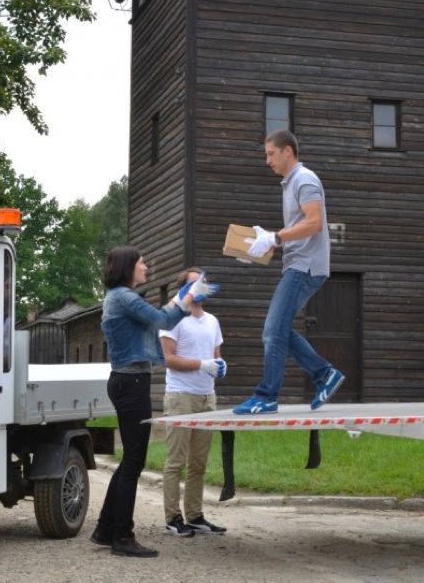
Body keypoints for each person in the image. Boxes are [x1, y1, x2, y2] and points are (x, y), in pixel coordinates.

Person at [91, 246, 218, 558]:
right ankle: (122, 536)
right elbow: (163, 320)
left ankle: (106, 529)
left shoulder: (121, 297)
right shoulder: (124, 297)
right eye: (142, 263)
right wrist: (188, 297)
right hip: (131, 382)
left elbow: (159, 315)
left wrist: (183, 296)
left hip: (127, 380)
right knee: (134, 461)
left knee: (128, 462)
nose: (146, 268)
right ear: (128, 267)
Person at [235, 128, 345, 415]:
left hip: (304, 267)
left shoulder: (304, 179)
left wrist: (275, 238)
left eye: (270, 153)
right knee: (279, 330)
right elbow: (300, 228)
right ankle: (324, 374)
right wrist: (263, 245)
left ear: (287, 151)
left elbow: (314, 223)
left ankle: (267, 396)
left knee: (272, 332)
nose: (267, 160)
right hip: (300, 264)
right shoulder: (292, 183)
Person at [159, 268, 228, 538]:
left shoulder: (212, 321)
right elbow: (168, 359)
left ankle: (195, 515)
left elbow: (216, 357)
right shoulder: (173, 317)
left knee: (199, 462)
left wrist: (220, 367)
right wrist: (203, 364)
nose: (203, 287)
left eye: (205, 283)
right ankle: (172, 518)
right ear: (184, 289)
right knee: (176, 461)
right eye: (196, 283)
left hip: (206, 396)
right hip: (180, 396)